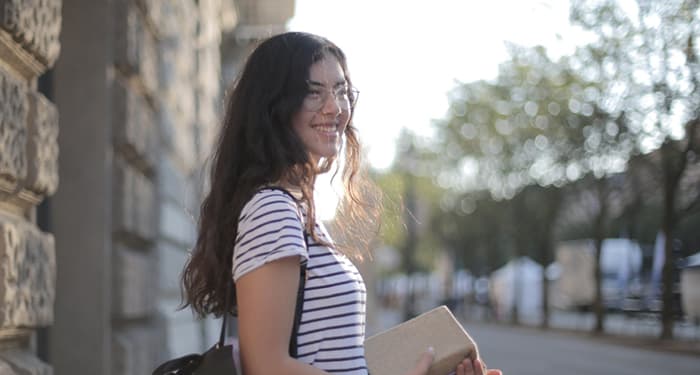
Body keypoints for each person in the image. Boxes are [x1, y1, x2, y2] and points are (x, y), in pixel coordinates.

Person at [181, 31, 502, 375]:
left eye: (340, 91)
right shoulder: (273, 210)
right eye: (313, 92)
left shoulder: (300, 212)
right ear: (273, 106)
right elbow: (267, 367)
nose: (334, 107)